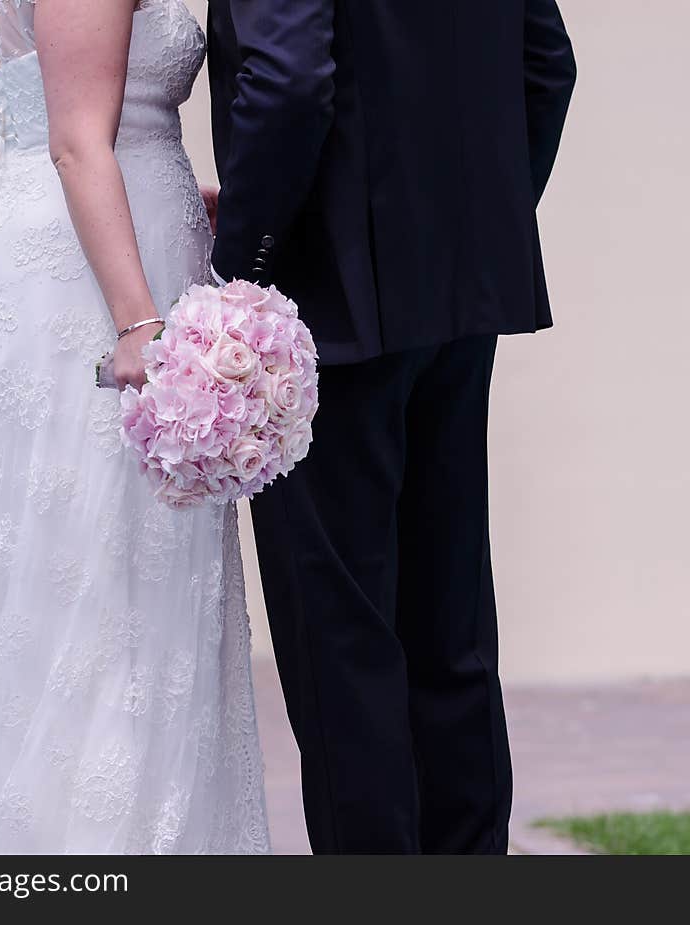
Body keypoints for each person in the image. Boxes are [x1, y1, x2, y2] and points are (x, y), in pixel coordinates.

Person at [207, 0, 576, 853]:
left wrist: (240, 272)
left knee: (341, 640)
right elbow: (547, 63)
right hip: (462, 293)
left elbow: (289, 79)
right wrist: (477, 225)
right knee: (450, 622)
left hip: (323, 310)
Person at [0, 0, 270, 855]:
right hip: (99, 283)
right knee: (114, 580)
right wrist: (139, 322)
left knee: (40, 576)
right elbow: (81, 142)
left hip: (18, 257)